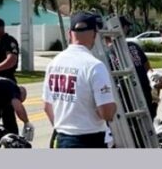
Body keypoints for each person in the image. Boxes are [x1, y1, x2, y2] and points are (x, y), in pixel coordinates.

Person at [43, 12, 117, 148]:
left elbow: (47, 107)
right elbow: (106, 113)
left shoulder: (53, 64)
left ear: (69, 33)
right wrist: (113, 107)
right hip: (90, 140)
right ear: (94, 34)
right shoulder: (95, 66)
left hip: (62, 138)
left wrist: (63, 128)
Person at [121, 16, 156, 118]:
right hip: (127, 92)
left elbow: (147, 67)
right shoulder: (111, 51)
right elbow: (148, 67)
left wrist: (153, 83)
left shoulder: (133, 46)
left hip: (141, 88)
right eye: (127, 26)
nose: (129, 29)